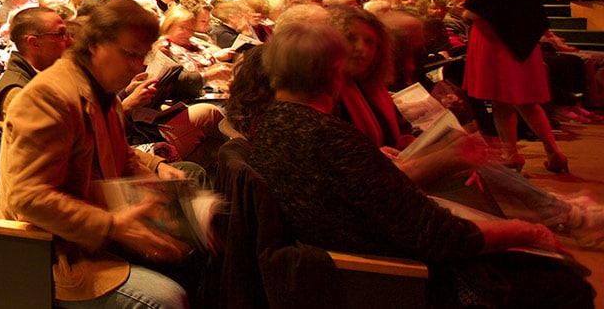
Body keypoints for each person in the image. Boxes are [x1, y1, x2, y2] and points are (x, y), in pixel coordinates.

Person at [246, 21, 593, 309]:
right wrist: (526, 229)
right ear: (335, 72)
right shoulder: (327, 137)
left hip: (361, 260)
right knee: (565, 281)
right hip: (398, 278)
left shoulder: (271, 127)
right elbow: (437, 236)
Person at [0, 0, 191, 309]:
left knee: (198, 249)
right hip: (51, 250)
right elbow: (29, 198)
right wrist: (113, 225)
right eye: (130, 54)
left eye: (143, 56)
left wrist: (156, 180)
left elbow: (120, 155)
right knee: (164, 300)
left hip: (95, 231)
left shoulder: (101, 87)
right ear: (96, 44)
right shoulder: (49, 96)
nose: (138, 66)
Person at [464, 0, 568, 172]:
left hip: (494, 44)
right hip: (525, 44)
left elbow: (475, 12)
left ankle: (511, 154)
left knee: (501, 103)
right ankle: (553, 152)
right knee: (528, 102)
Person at [0, 6, 68, 129]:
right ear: (34, 42)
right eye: (61, 34)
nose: (69, 41)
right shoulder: (17, 94)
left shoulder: (45, 75)